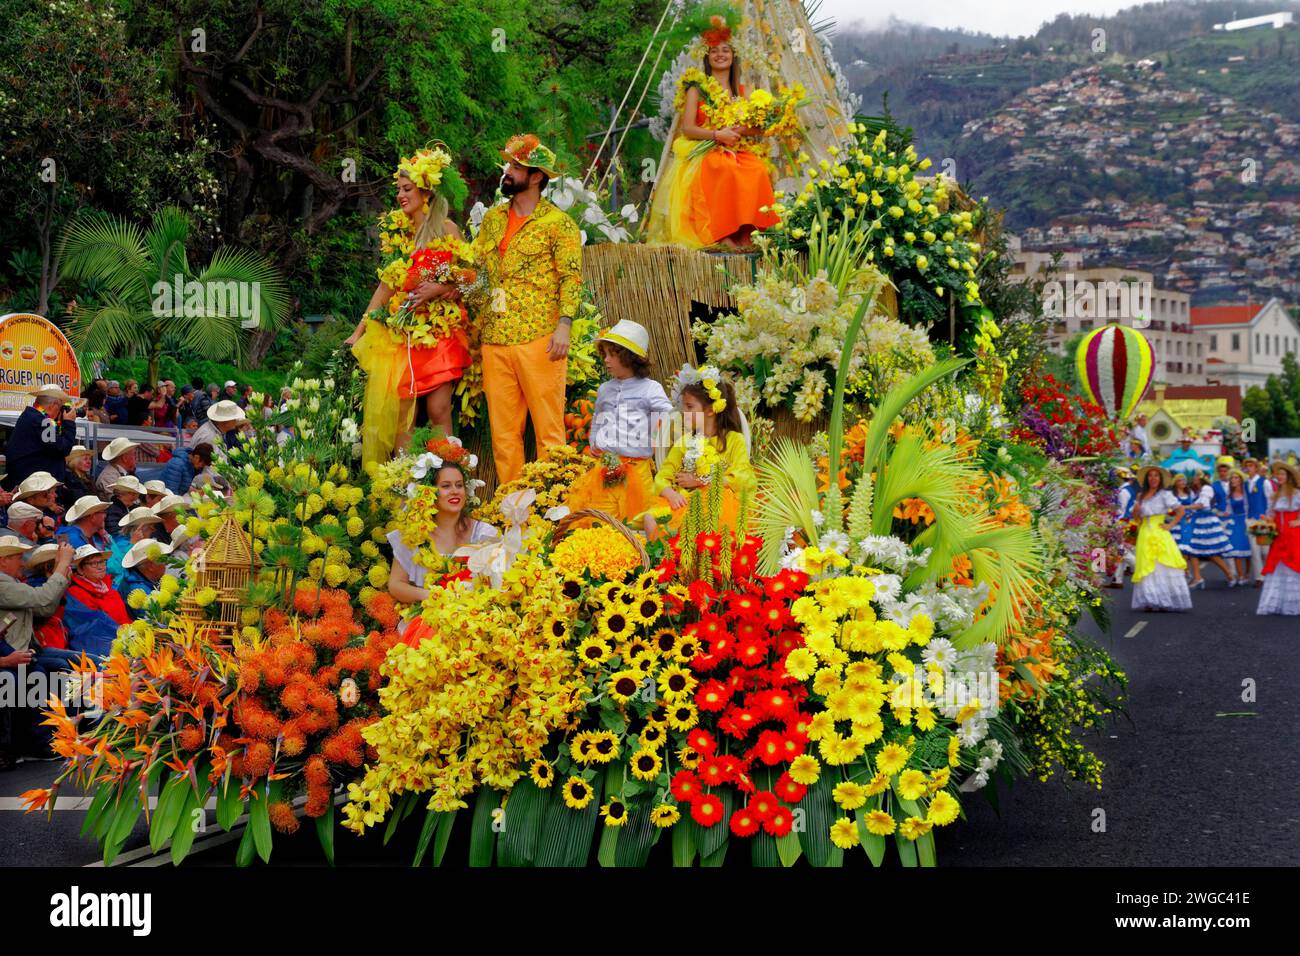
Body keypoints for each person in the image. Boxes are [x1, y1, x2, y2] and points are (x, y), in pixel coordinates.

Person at [464, 134, 581, 484]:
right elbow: (479, 272)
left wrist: (564, 326)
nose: (508, 172)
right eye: (509, 165)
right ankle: (514, 514)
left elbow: (570, 278)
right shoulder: (494, 219)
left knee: (549, 431)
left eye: (516, 167)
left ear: (536, 177)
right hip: (495, 338)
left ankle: (554, 512)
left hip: (540, 338)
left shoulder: (559, 224)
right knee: (503, 435)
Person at [345, 147, 475, 461]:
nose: (401, 196)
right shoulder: (398, 235)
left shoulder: (447, 230)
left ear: (426, 190)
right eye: (399, 190)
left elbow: (471, 279)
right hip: (404, 336)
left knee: (438, 407)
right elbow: (385, 288)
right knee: (404, 410)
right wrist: (358, 331)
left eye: (407, 189)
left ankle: (448, 471)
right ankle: (403, 482)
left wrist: (440, 288)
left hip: (440, 332)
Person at [644, 9, 779, 249]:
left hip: (737, 149)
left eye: (725, 50)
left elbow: (757, 129)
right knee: (723, 168)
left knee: (756, 168)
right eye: (714, 51)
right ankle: (722, 234)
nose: (720, 55)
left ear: (733, 56)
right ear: (707, 57)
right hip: (705, 149)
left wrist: (739, 130)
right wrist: (718, 135)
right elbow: (687, 128)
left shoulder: (744, 91)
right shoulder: (696, 88)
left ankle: (747, 233)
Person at [386, 448, 497, 647]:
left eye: (459, 485)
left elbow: (496, 581)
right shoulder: (414, 536)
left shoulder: (483, 534)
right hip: (427, 620)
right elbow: (396, 584)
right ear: (429, 493)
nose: (455, 491)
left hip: (474, 619)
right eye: (446, 486)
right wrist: (431, 596)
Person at [565, 321, 673, 523]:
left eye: (611, 355)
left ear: (629, 357)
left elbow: (668, 417)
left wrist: (653, 440)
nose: (606, 360)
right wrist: (594, 442)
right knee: (600, 519)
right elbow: (598, 418)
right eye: (604, 354)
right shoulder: (605, 389)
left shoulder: (650, 388)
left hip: (636, 471)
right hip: (605, 469)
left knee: (635, 521)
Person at [643, 366, 754, 537]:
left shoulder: (734, 440)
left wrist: (700, 480)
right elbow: (662, 476)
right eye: (683, 407)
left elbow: (742, 477)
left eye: (689, 407)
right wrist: (670, 493)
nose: (683, 412)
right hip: (687, 502)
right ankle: (666, 562)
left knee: (717, 517)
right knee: (650, 518)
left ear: (710, 410)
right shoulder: (685, 442)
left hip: (719, 502)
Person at [0, 536, 75, 770]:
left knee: (63, 668)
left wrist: (62, 579)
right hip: (12, 653)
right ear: (3, 561)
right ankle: (33, 744)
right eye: (17, 558)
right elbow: (42, 599)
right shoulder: (2, 582)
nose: (22, 563)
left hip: (20, 649)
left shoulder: (11, 581)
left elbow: (43, 606)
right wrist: (62, 566)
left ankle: (58, 736)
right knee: (25, 675)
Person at [1130, 465, 1191, 612]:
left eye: (1156, 476)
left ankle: (1165, 600)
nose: (1153, 478)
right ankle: (1150, 600)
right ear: (1146, 479)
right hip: (1144, 532)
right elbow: (1137, 518)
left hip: (1160, 532)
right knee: (1146, 565)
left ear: (1160, 478)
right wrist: (1136, 512)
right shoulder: (1141, 496)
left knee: (1162, 565)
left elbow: (1180, 510)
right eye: (1150, 476)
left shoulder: (1165, 495)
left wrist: (1170, 525)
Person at [62, 545, 130, 660]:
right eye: (93, 563)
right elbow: (95, 628)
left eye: (102, 562)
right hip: (107, 647)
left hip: (126, 636)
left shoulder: (110, 588)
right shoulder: (77, 593)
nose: (100, 567)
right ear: (80, 570)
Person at [3, 384, 78, 489]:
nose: (61, 411)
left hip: (31, 484)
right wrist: (69, 423)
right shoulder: (41, 422)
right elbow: (63, 448)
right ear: (54, 404)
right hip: (33, 488)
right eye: (61, 407)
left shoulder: (32, 417)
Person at [1258, 462, 1300, 616]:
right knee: (1277, 566)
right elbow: (1272, 515)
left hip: (1294, 534)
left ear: (1288, 477)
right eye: (1277, 474)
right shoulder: (1274, 495)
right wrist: (1266, 520)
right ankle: (1278, 603)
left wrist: (1299, 521)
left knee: (1294, 564)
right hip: (1278, 535)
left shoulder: (1297, 494)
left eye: (1282, 474)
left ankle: (1294, 604)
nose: (1279, 477)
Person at [1184, 471, 1237, 588]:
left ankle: (1230, 575)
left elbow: (1202, 505)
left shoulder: (1206, 488)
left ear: (1202, 478)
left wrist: (1184, 507)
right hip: (1199, 521)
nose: (1194, 478)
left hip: (1206, 521)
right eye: (1194, 476)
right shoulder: (1197, 491)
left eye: (1197, 476)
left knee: (1211, 553)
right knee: (1193, 550)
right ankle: (1198, 578)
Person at [118, 538, 174, 618]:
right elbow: (157, 620)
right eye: (163, 559)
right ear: (151, 566)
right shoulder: (139, 591)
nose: (166, 562)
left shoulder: (138, 577)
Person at [1217, 470, 1252, 587]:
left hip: (1245, 521)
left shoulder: (1246, 492)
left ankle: (1247, 574)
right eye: (1232, 478)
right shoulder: (1229, 494)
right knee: (1235, 549)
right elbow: (1228, 509)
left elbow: (1249, 507)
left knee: (1247, 551)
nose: (1233, 480)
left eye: (1236, 478)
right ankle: (1240, 576)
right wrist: (1222, 514)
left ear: (1241, 480)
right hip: (1234, 522)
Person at [1243, 457, 1275, 586]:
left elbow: (1270, 500)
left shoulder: (1264, 482)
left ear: (1256, 468)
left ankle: (1270, 573)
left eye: (1251, 466)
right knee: (1254, 550)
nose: (1248, 468)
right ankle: (1259, 577)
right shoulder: (1245, 483)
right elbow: (1246, 502)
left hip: (1262, 520)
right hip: (1251, 519)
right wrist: (1246, 517)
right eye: (1247, 466)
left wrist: (1268, 516)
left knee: (1265, 550)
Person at [1107, 467, 1138, 587]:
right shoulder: (1127, 490)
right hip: (1125, 522)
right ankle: (1117, 580)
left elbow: (1121, 510)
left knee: (1122, 551)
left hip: (1122, 523)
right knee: (1119, 552)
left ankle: (1139, 568)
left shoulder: (1123, 491)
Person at [58, 446, 96, 510]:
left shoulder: (87, 478)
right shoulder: (67, 478)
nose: (89, 462)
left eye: (90, 459)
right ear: (75, 461)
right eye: (85, 459)